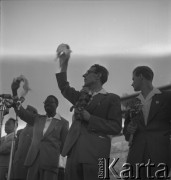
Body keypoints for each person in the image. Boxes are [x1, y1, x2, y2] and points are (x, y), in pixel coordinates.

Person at [55, 44, 122, 180]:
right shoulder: (80, 96)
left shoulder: (112, 98)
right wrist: (64, 63)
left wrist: (90, 118)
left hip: (96, 153)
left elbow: (115, 127)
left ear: (98, 75)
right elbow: (64, 87)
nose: (84, 75)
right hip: (74, 153)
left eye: (88, 72)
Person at [11, 81, 69, 180]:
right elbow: (21, 112)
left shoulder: (64, 123)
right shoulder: (37, 119)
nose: (47, 104)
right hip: (33, 161)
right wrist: (14, 92)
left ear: (57, 105)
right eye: (45, 102)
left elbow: (64, 146)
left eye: (50, 102)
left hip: (50, 163)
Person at [123, 66, 171, 179]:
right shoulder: (132, 103)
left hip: (160, 154)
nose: (132, 83)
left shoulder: (167, 97)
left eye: (133, 79)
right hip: (135, 157)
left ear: (141, 77)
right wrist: (129, 131)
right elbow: (126, 133)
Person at [12, 105, 38, 180]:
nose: (25, 113)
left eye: (27, 111)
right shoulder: (21, 131)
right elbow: (16, 147)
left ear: (34, 114)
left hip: (28, 164)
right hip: (17, 163)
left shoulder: (38, 129)